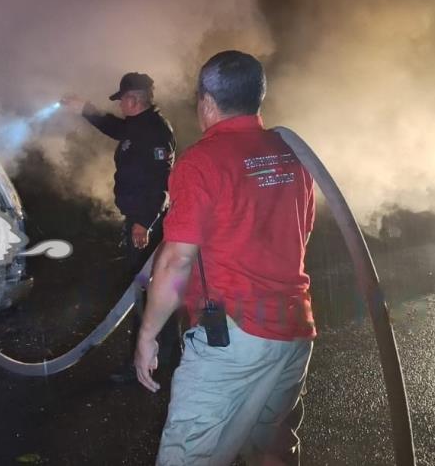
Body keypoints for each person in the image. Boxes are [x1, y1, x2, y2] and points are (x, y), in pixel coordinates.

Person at [135, 51, 316, 466]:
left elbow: (176, 260)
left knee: (188, 457)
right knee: (271, 451)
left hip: (233, 340)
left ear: (207, 102)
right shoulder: (293, 155)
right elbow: (301, 233)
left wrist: (147, 336)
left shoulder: (201, 161)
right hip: (294, 332)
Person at [62, 72, 178, 382]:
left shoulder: (153, 131)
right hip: (142, 221)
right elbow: (114, 127)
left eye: (122, 100)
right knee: (147, 290)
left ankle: (149, 359)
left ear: (133, 100)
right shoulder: (138, 126)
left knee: (145, 293)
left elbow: (160, 182)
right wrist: (84, 107)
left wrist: (144, 222)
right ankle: (161, 354)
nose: (120, 106)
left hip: (147, 224)